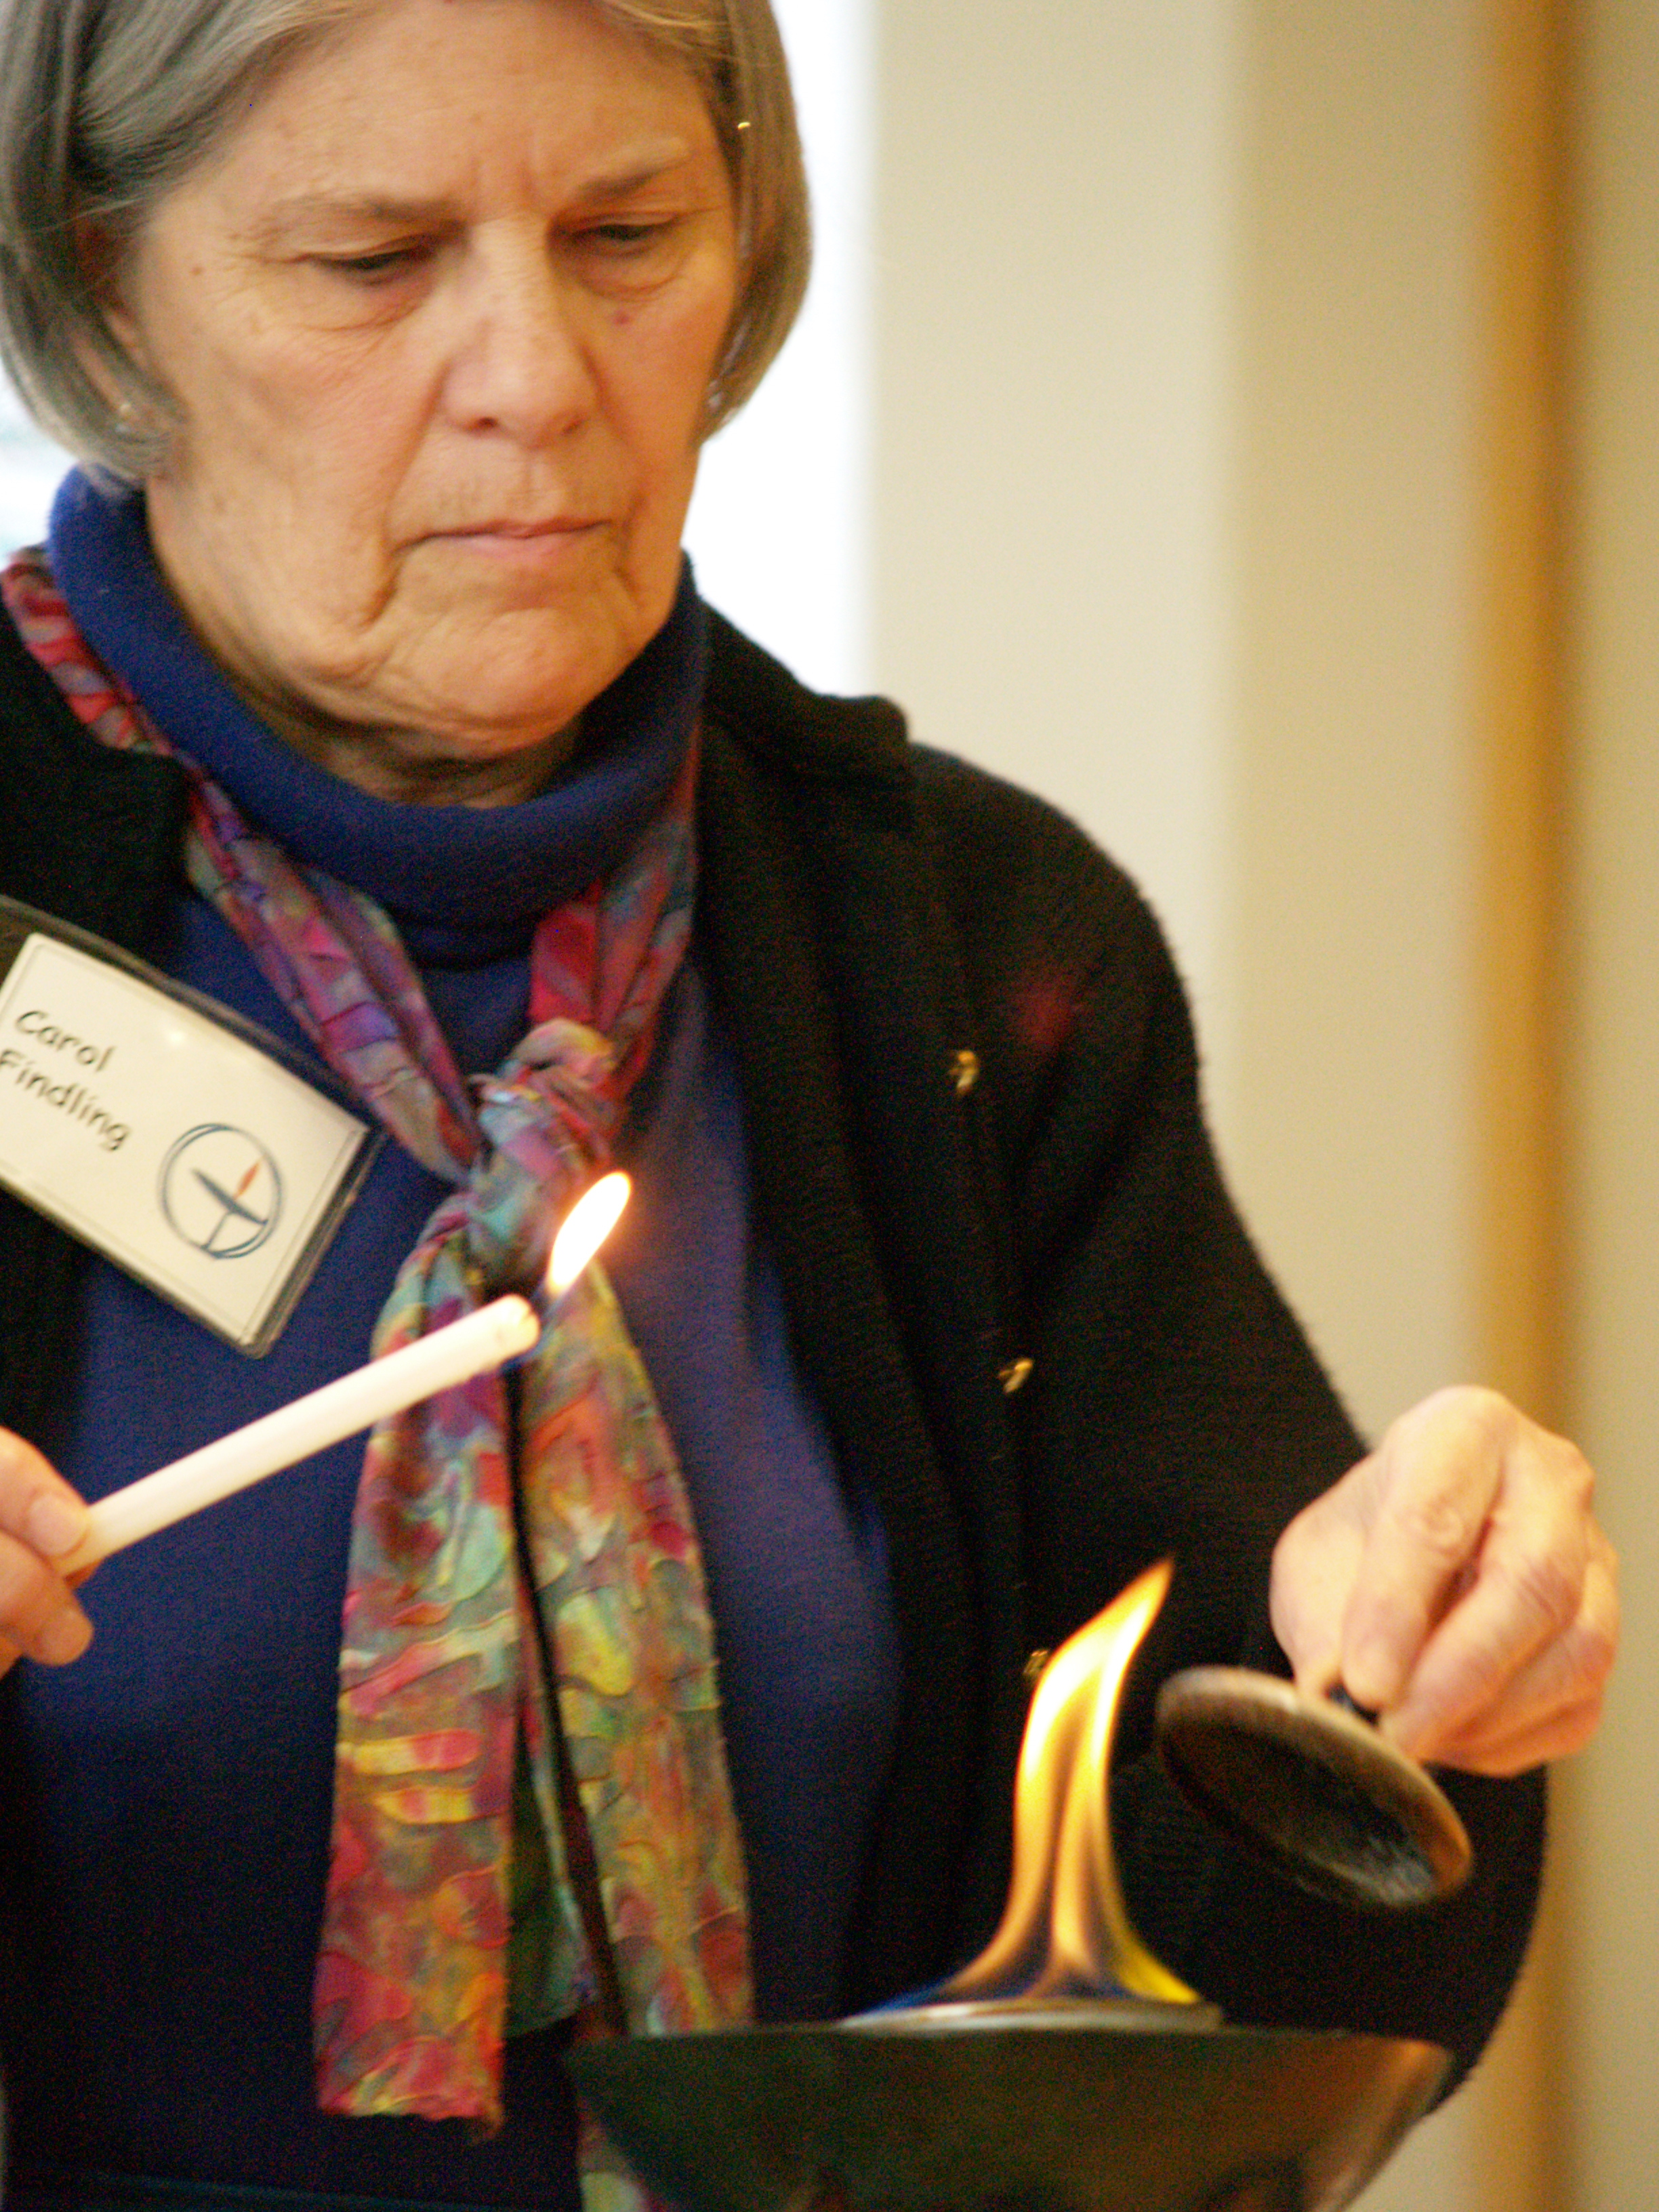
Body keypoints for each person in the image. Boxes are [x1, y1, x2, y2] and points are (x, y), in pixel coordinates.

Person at [0, 0, 1616, 2207]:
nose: (537, 375)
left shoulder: (960, 950)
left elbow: (1220, 2018)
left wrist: (1386, 1702)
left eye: (628, 232)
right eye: (373, 262)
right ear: (104, 283)